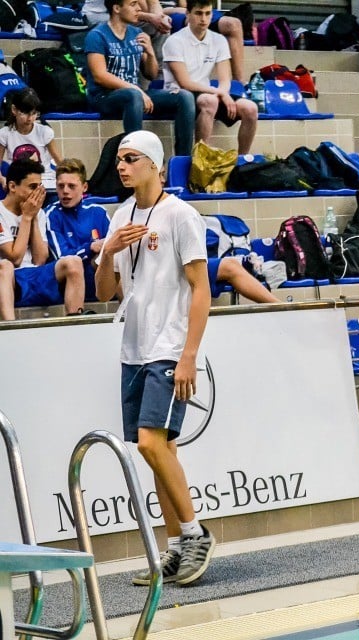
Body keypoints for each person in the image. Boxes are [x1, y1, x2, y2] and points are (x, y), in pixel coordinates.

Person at [94, 130, 215, 585]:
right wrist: (108, 251)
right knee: (158, 450)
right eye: (118, 159)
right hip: (134, 347)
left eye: (130, 158)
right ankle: (177, 549)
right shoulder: (120, 215)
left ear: (154, 164)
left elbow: (202, 289)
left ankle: (195, 533)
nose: (121, 166)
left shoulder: (181, 216)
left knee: (150, 443)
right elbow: (106, 292)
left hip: (168, 346)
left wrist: (189, 356)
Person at [85, 0, 194, 156]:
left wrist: (150, 53)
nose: (138, 9)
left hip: (133, 94)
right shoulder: (97, 35)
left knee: (184, 96)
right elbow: (99, 76)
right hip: (103, 96)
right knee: (134, 95)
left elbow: (151, 74)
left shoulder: (136, 34)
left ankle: (183, 160)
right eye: (133, 4)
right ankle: (135, 155)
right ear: (116, 8)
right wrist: (134, 88)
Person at [162, 0, 258, 156]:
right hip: (180, 94)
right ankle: (202, 159)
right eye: (198, 13)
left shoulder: (218, 40)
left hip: (207, 92)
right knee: (210, 100)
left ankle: (242, 161)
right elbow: (185, 83)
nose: (203, 19)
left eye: (208, 14)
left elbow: (225, 79)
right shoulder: (174, 41)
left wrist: (223, 92)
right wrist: (220, 93)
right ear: (188, 14)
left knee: (250, 108)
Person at [0, 159, 86, 318]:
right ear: (12, 186)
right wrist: (26, 217)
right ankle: (10, 329)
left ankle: (76, 323)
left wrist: (33, 217)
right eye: (32, 187)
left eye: (40, 187)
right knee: (4, 266)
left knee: (73, 262)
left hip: (34, 273)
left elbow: (40, 259)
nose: (38, 193)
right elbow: (14, 258)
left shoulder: (38, 213)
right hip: (8, 277)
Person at [46, 159, 111, 302]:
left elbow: (112, 249)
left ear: (84, 187)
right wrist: (91, 247)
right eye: (61, 186)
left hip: (101, 282)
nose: (65, 191)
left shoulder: (98, 212)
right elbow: (62, 258)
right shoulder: (51, 215)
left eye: (71, 186)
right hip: (66, 286)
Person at [167, 0, 247, 81]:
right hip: (173, 12)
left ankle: (239, 83)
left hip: (197, 6)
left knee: (233, 24)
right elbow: (182, 5)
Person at [0, 88, 62, 191]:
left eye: (33, 113)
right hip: (19, 182)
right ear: (14, 110)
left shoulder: (45, 132)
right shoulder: (4, 134)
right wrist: (2, 179)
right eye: (25, 113)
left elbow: (59, 162)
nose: (29, 118)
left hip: (44, 181)